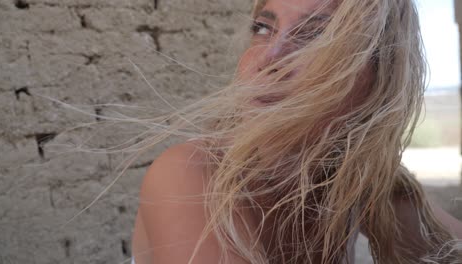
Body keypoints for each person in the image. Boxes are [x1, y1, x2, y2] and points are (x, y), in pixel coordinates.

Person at [131, 0, 462, 263]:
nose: (268, 58)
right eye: (263, 28)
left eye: (315, 34)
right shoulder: (191, 175)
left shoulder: (353, 177)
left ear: (379, 77)